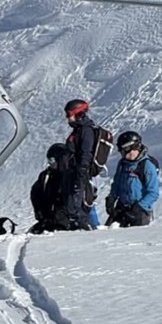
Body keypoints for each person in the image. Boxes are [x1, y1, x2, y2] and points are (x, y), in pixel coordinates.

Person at [106, 131, 160, 227]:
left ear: (129, 148)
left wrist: (139, 207)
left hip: (140, 211)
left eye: (122, 150)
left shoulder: (146, 165)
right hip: (122, 207)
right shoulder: (122, 164)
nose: (121, 153)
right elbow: (116, 183)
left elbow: (153, 192)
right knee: (107, 233)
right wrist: (111, 198)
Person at [63, 98, 97, 231]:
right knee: (72, 205)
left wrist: (82, 171)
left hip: (80, 173)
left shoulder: (85, 130)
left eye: (68, 114)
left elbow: (86, 152)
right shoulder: (78, 130)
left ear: (78, 113)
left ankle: (88, 231)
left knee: (78, 206)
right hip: (74, 172)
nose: (67, 118)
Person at [29, 144, 72, 233]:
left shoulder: (71, 177)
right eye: (49, 160)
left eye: (52, 160)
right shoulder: (46, 176)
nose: (50, 163)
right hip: (48, 220)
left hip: (65, 222)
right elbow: (35, 193)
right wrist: (39, 212)